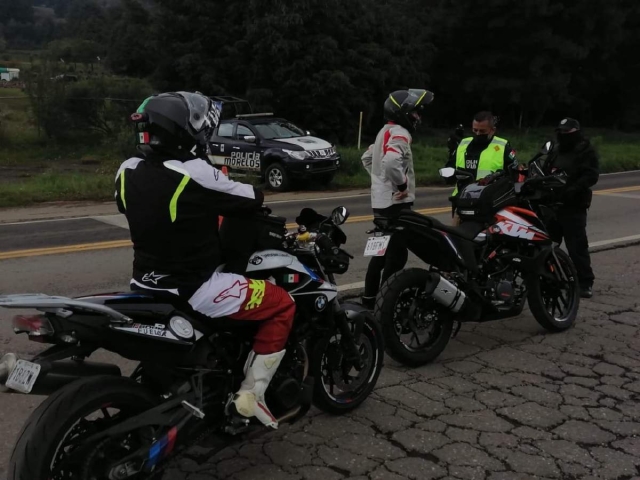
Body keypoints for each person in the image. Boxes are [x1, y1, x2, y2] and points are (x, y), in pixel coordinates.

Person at [114, 91, 295, 429]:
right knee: (283, 303)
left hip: (144, 285)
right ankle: (250, 398)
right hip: (197, 288)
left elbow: (130, 207)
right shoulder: (194, 172)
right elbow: (251, 198)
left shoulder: (127, 170)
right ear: (184, 131)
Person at [360, 88, 434, 309]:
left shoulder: (385, 131)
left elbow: (366, 158)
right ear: (403, 113)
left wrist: (381, 181)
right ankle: (386, 305)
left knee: (379, 257)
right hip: (396, 205)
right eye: (415, 113)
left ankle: (369, 300)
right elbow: (392, 161)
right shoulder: (401, 132)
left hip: (380, 205)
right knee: (397, 256)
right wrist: (400, 184)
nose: (418, 117)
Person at [543, 118, 599, 298]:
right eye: (561, 131)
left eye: (567, 132)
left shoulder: (585, 151)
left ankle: (585, 282)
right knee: (547, 245)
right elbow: (545, 170)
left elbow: (591, 175)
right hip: (551, 204)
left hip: (573, 205)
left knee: (577, 247)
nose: (563, 135)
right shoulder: (555, 150)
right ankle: (549, 278)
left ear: (575, 132)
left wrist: (573, 189)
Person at [450, 111, 519, 223]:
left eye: (482, 131)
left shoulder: (502, 147)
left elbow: (515, 174)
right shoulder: (463, 144)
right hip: (463, 204)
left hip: (491, 206)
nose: (477, 134)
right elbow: (450, 169)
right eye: (475, 130)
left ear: (492, 130)